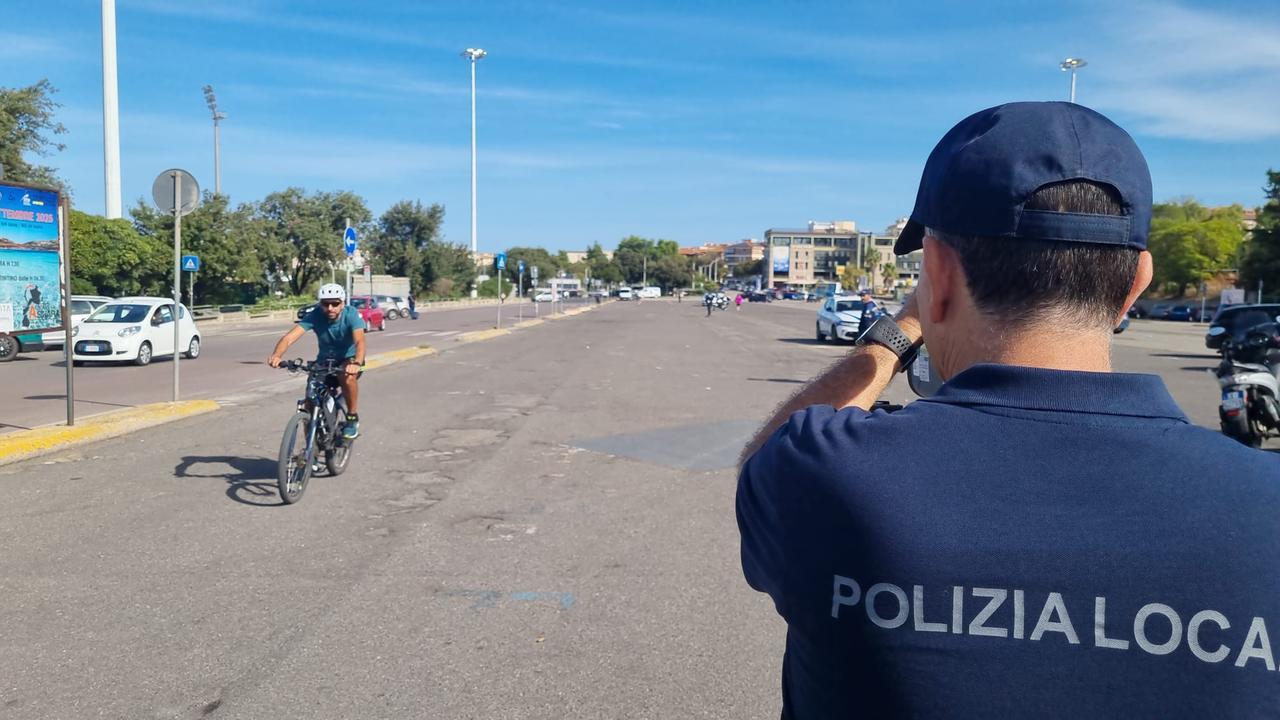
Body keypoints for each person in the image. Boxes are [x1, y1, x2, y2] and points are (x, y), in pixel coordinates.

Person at [735, 102, 1280, 719]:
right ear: (1136, 284)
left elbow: (759, 472)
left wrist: (892, 339)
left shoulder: (825, 474)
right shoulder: (1266, 503)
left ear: (936, 277)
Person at [268, 283, 366, 440]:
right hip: (324, 362)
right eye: (326, 304)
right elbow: (289, 338)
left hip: (349, 360)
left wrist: (357, 363)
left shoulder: (351, 314)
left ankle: (352, 418)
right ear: (320, 304)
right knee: (310, 401)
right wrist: (277, 355)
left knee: (346, 377)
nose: (330, 308)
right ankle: (311, 450)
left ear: (342, 303)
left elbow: (360, 340)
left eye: (335, 303)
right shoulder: (315, 315)